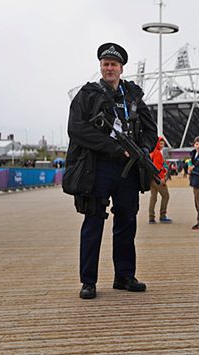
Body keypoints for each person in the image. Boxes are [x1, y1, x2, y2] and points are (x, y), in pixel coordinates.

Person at [65, 43, 157, 300]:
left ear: (121, 68)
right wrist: (114, 148)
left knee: (127, 220)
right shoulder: (88, 94)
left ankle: (125, 276)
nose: (109, 68)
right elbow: (77, 129)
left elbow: (151, 130)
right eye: (105, 64)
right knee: (93, 221)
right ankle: (89, 281)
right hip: (98, 167)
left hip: (128, 169)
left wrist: (144, 149)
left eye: (113, 65)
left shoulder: (133, 96)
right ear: (101, 67)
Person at [148, 137, 172, 224]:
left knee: (153, 197)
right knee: (166, 196)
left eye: (163, 144)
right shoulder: (158, 153)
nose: (162, 146)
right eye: (160, 144)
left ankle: (151, 217)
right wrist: (162, 178)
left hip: (151, 178)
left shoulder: (151, 152)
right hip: (157, 178)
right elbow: (157, 168)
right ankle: (163, 215)